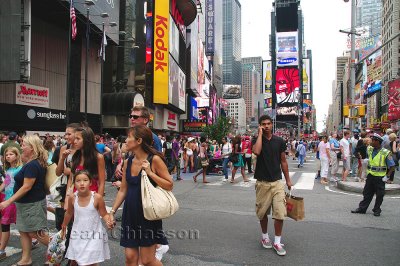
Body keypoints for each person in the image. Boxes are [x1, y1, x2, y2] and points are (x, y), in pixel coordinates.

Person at [108, 125, 172, 266]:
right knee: (130, 257)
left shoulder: (154, 160)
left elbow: (169, 184)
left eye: (128, 137)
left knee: (147, 260)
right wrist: (112, 212)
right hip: (130, 215)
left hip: (148, 216)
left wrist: (150, 173)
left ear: (138, 141)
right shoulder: (127, 162)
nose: (125, 141)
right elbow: (123, 190)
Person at [0, 135, 50, 265]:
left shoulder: (33, 165)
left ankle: (60, 249)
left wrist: (8, 201)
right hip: (25, 203)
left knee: (35, 232)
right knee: (24, 231)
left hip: (31, 204)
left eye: (23, 145)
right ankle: (26, 258)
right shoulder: (32, 162)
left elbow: (27, 187)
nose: (21, 147)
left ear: (32, 148)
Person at [252, 115, 293, 256]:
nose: (267, 126)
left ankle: (277, 241)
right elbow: (256, 151)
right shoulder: (257, 140)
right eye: (264, 124)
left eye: (269, 123)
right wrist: (259, 135)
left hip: (277, 182)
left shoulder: (279, 141)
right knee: (262, 213)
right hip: (262, 183)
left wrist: (288, 180)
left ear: (272, 125)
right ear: (260, 126)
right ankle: (265, 237)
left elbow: (283, 161)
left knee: (280, 212)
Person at [62, 170, 111, 265]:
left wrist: (108, 221)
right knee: (75, 261)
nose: (82, 183)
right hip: (77, 234)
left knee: (91, 262)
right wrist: (64, 225)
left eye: (85, 180)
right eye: (78, 181)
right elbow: (69, 213)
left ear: (90, 182)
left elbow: (104, 214)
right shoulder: (72, 198)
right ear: (74, 184)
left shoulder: (97, 198)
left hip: (95, 235)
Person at [351, 133, 395, 217]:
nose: (371, 141)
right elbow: (358, 149)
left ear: (377, 142)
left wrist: (387, 176)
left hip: (380, 177)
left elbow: (392, 166)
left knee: (380, 194)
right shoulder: (370, 149)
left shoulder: (386, 152)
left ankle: (377, 209)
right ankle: (362, 208)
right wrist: (359, 155)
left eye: (373, 140)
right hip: (370, 175)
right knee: (367, 193)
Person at [0, 147, 23, 260]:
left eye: (11, 154)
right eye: (6, 155)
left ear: (17, 155)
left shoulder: (20, 169)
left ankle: (2, 250)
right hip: (7, 199)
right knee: (5, 223)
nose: (8, 156)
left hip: (14, 201)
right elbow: (6, 182)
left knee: (6, 224)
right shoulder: (9, 170)